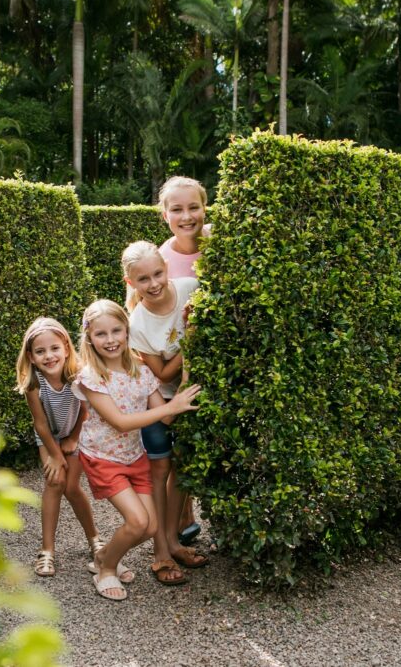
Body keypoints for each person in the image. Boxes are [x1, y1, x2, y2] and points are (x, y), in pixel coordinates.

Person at [74, 300, 201, 601]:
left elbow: (166, 415)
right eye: (101, 334)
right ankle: (106, 569)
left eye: (116, 330)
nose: (110, 340)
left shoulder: (141, 372)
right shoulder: (92, 377)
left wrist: (183, 383)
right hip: (103, 457)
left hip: (133, 456)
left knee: (150, 526)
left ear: (126, 330)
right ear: (89, 338)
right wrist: (170, 406)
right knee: (138, 522)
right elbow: (120, 422)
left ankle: (103, 555)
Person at [123, 241, 210, 585]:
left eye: (158, 273)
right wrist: (188, 337)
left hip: (191, 397)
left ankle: (174, 541)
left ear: (167, 269)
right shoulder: (138, 323)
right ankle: (160, 551)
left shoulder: (189, 288)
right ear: (131, 283)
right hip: (158, 403)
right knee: (159, 474)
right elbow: (162, 374)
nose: (154, 283)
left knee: (182, 473)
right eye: (143, 279)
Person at [15, 317, 103, 577]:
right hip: (49, 437)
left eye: (54, 348)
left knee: (72, 487)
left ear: (66, 347)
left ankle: (95, 539)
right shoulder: (33, 384)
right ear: (30, 356)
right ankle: (47, 551)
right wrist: (54, 454)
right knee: (54, 482)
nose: (49, 356)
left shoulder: (77, 375)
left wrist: (73, 439)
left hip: (74, 432)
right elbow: (40, 425)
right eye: (40, 351)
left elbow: (85, 411)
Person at [157, 175, 211, 544]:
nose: (186, 215)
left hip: (214, 358)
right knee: (179, 446)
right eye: (177, 209)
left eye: (193, 207)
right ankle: (179, 521)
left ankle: (186, 514)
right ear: (165, 215)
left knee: (197, 447)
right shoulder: (162, 257)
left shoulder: (217, 245)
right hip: (174, 361)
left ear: (204, 207)